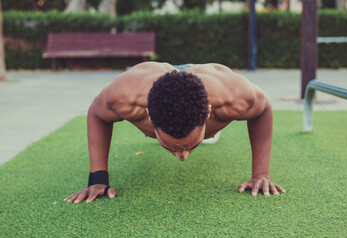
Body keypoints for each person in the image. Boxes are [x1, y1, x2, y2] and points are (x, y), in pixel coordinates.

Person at [64, 62, 286, 204]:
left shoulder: (234, 97)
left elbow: (264, 109)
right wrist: (98, 178)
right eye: (171, 147)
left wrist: (261, 174)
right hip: (152, 79)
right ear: (148, 116)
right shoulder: (125, 97)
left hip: (206, 80)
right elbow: (97, 112)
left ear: (208, 113)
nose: (183, 157)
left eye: (191, 145)